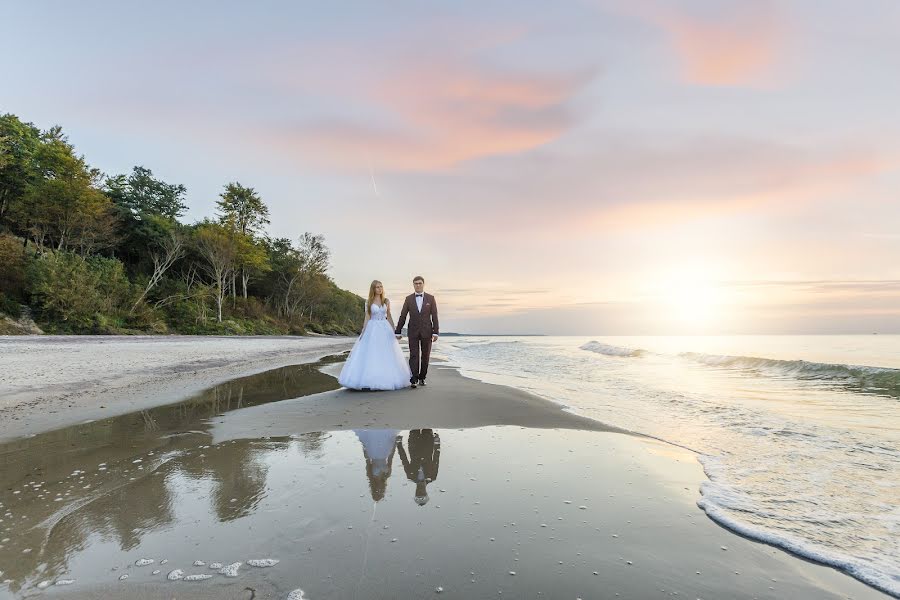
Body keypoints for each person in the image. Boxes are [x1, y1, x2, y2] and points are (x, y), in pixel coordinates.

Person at [338, 280, 411, 390]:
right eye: (377, 287)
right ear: (373, 289)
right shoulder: (368, 301)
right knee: (372, 353)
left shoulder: (386, 301)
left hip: (385, 328)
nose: (380, 289)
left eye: (381, 286)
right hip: (372, 328)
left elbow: (389, 316)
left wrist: (395, 331)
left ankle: (386, 378)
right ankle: (369, 380)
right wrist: (363, 332)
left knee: (386, 353)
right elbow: (367, 317)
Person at [394, 276, 439, 388]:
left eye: (419, 283)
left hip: (427, 331)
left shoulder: (431, 298)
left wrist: (435, 332)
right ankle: (414, 379)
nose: (418, 285)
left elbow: (434, 316)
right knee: (414, 355)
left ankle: (422, 378)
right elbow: (403, 315)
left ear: (423, 284)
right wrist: (398, 331)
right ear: (413, 285)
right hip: (413, 331)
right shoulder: (408, 299)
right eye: (415, 284)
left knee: (425, 356)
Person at [396, 429, 441, 506]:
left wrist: (399, 444)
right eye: (422, 493)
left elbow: (404, 459)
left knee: (415, 423)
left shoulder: (411, 476)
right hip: (428, 445)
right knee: (427, 423)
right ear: (426, 492)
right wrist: (437, 444)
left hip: (414, 446)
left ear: (415, 492)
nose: (420, 491)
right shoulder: (432, 476)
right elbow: (436, 460)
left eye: (418, 493)